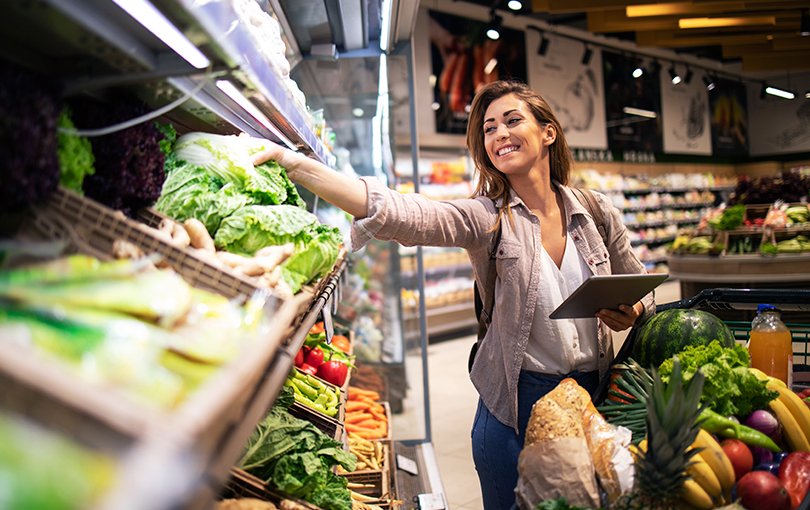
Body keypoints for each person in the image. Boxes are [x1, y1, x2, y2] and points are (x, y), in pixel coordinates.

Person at [252, 80, 656, 510]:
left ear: (548, 132)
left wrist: (633, 309)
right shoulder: (487, 217)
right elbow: (408, 214)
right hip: (516, 407)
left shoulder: (594, 212)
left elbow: (641, 286)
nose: (499, 133)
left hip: (595, 400)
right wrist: (292, 164)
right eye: (488, 128)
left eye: (512, 120)